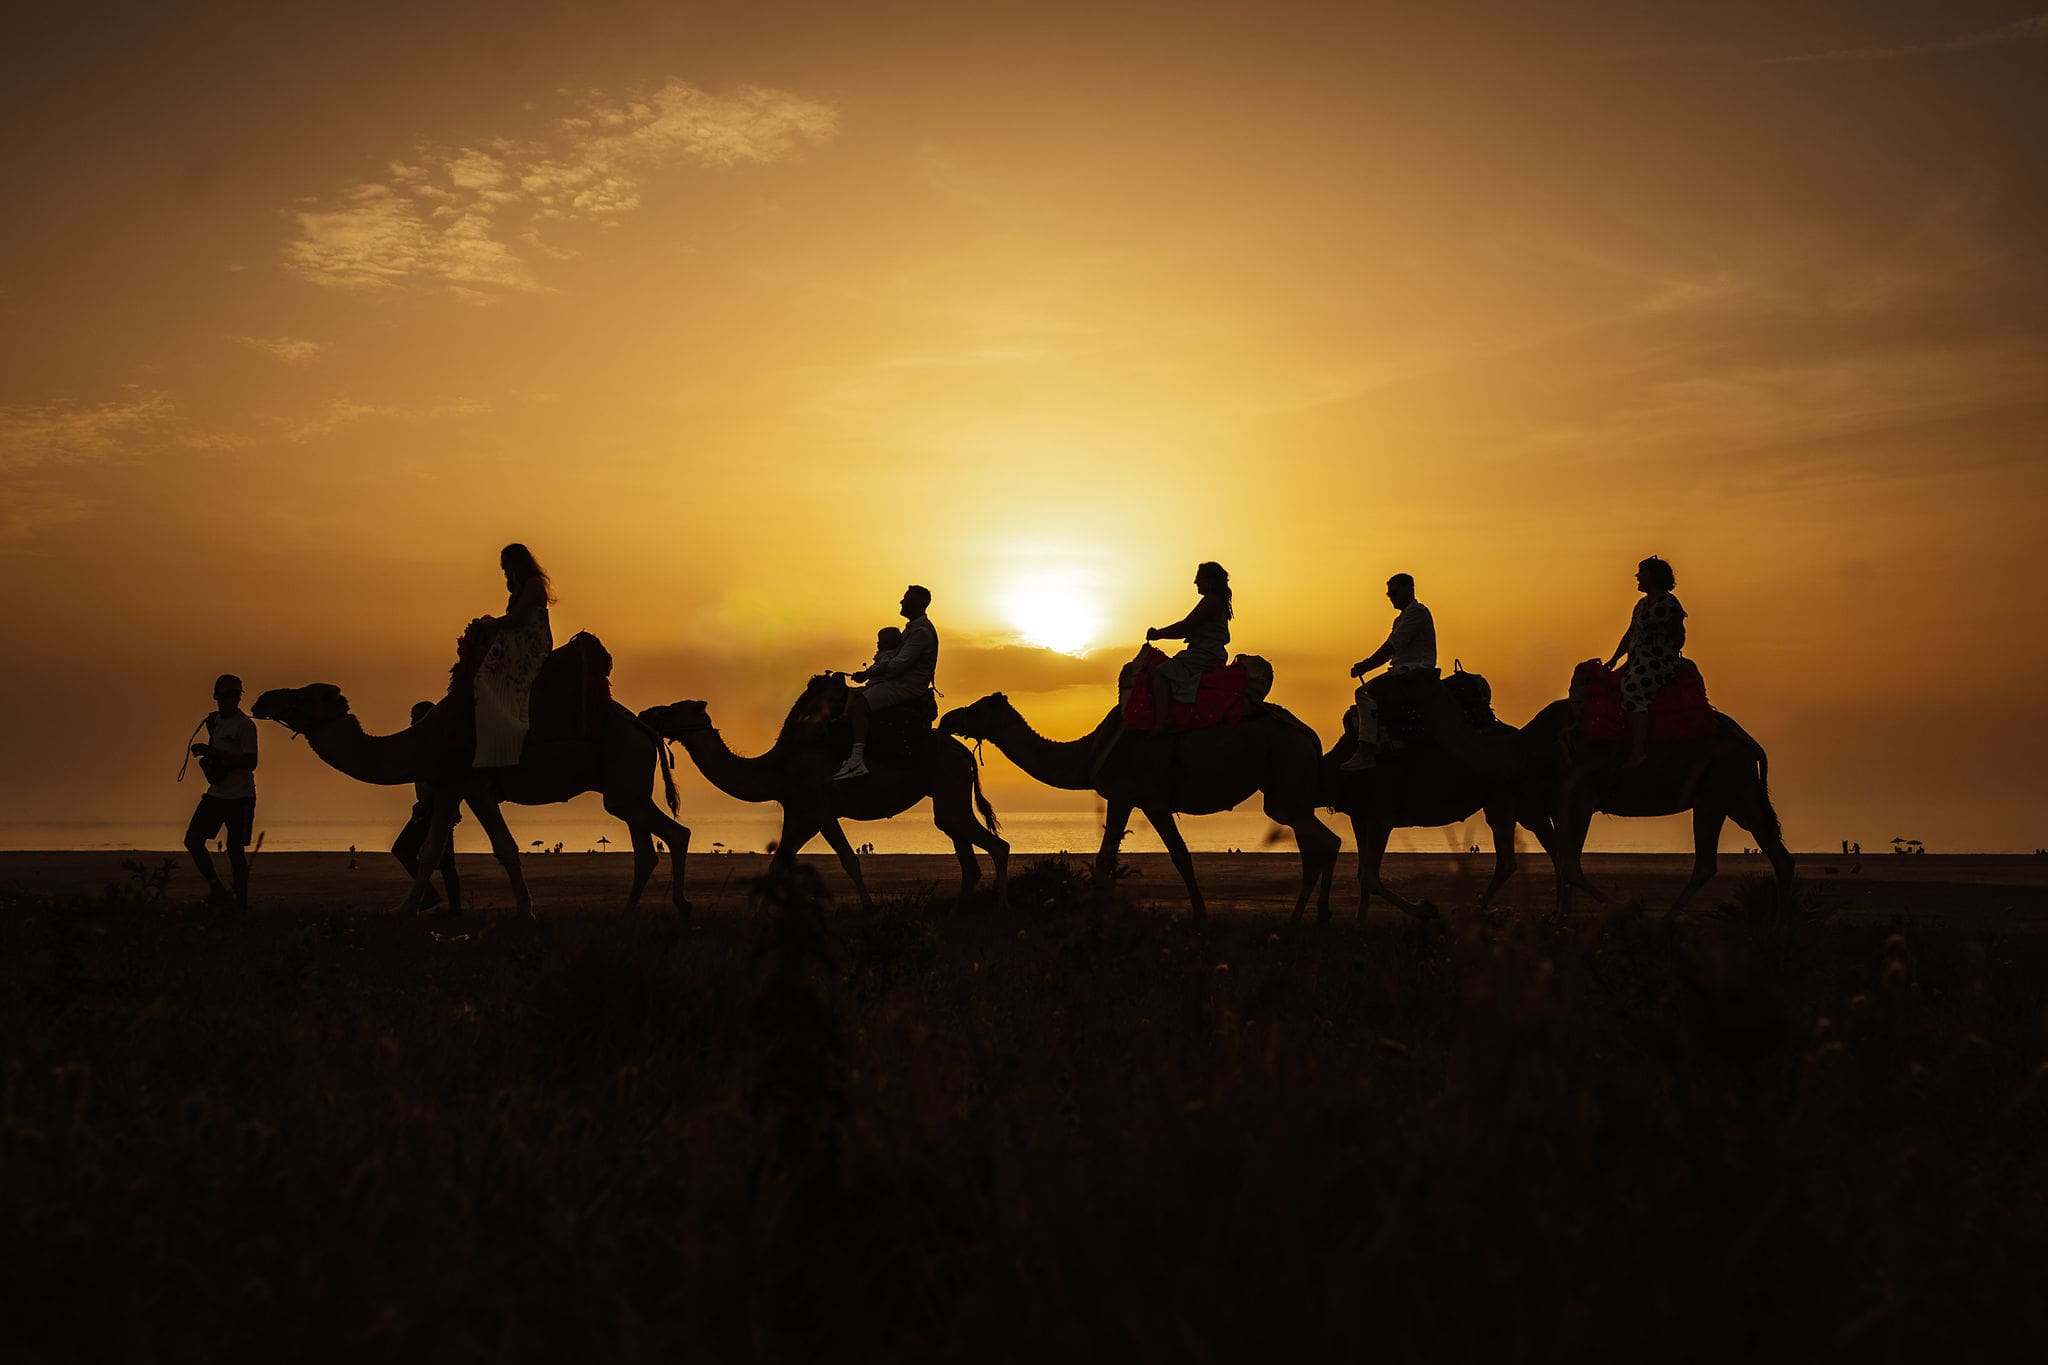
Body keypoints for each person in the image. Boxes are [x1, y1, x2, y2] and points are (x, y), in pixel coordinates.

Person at [833, 585, 938, 780]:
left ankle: (856, 760)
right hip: (897, 682)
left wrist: (868, 673)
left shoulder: (921, 632)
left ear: (916, 604)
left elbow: (899, 664)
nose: (901, 601)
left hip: (907, 686)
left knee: (860, 705)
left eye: (906, 598)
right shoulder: (912, 629)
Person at [1340, 573, 1438, 770]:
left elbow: (1393, 645)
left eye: (1394, 592)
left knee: (1363, 693)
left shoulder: (1417, 612)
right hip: (1402, 671)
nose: (1391, 596)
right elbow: (1389, 652)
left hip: (1414, 671)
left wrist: (1365, 665)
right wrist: (1366, 665)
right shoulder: (1400, 619)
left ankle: (1366, 749)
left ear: (1409, 589)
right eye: (1389, 594)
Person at [474, 543, 554, 768]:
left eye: (507, 567)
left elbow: (517, 620)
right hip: (517, 641)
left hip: (531, 646)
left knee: (488, 679)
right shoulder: (522, 588)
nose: (506, 573)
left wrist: (488, 626)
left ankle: (511, 730)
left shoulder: (534, 585)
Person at [184, 673, 258, 908]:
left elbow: (250, 761)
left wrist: (211, 751)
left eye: (236, 695)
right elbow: (220, 752)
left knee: (235, 851)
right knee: (193, 841)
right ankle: (217, 888)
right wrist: (209, 744)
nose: (232, 699)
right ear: (217, 696)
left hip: (241, 797)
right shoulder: (215, 723)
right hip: (217, 793)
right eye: (228, 694)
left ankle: (241, 906)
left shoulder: (246, 725)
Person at [1604, 555, 1686, 767]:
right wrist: (1614, 659)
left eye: (1642, 572)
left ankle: (1638, 751)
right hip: (1637, 659)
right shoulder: (1641, 605)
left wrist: (1662, 646)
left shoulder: (1669, 603)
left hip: (1658, 662)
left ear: (1654, 576)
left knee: (1633, 689)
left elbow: (1678, 637)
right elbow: (1631, 633)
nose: (1637, 576)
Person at [1144, 561, 1233, 732]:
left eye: (1198, 578)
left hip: (1203, 655)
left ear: (1209, 581)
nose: (1195, 582)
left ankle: (1162, 722)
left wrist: (1158, 634)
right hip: (1208, 653)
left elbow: (1185, 626)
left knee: (1159, 674)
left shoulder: (1211, 602)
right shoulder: (1215, 602)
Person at [392, 700, 462, 912]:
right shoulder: (424, 746)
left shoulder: (438, 747)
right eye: (412, 718)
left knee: (404, 850)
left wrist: (426, 805)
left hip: (434, 809)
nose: (412, 722)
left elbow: (447, 782)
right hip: (430, 808)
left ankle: (436, 899)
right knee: (446, 862)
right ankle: (449, 906)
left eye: (416, 718)